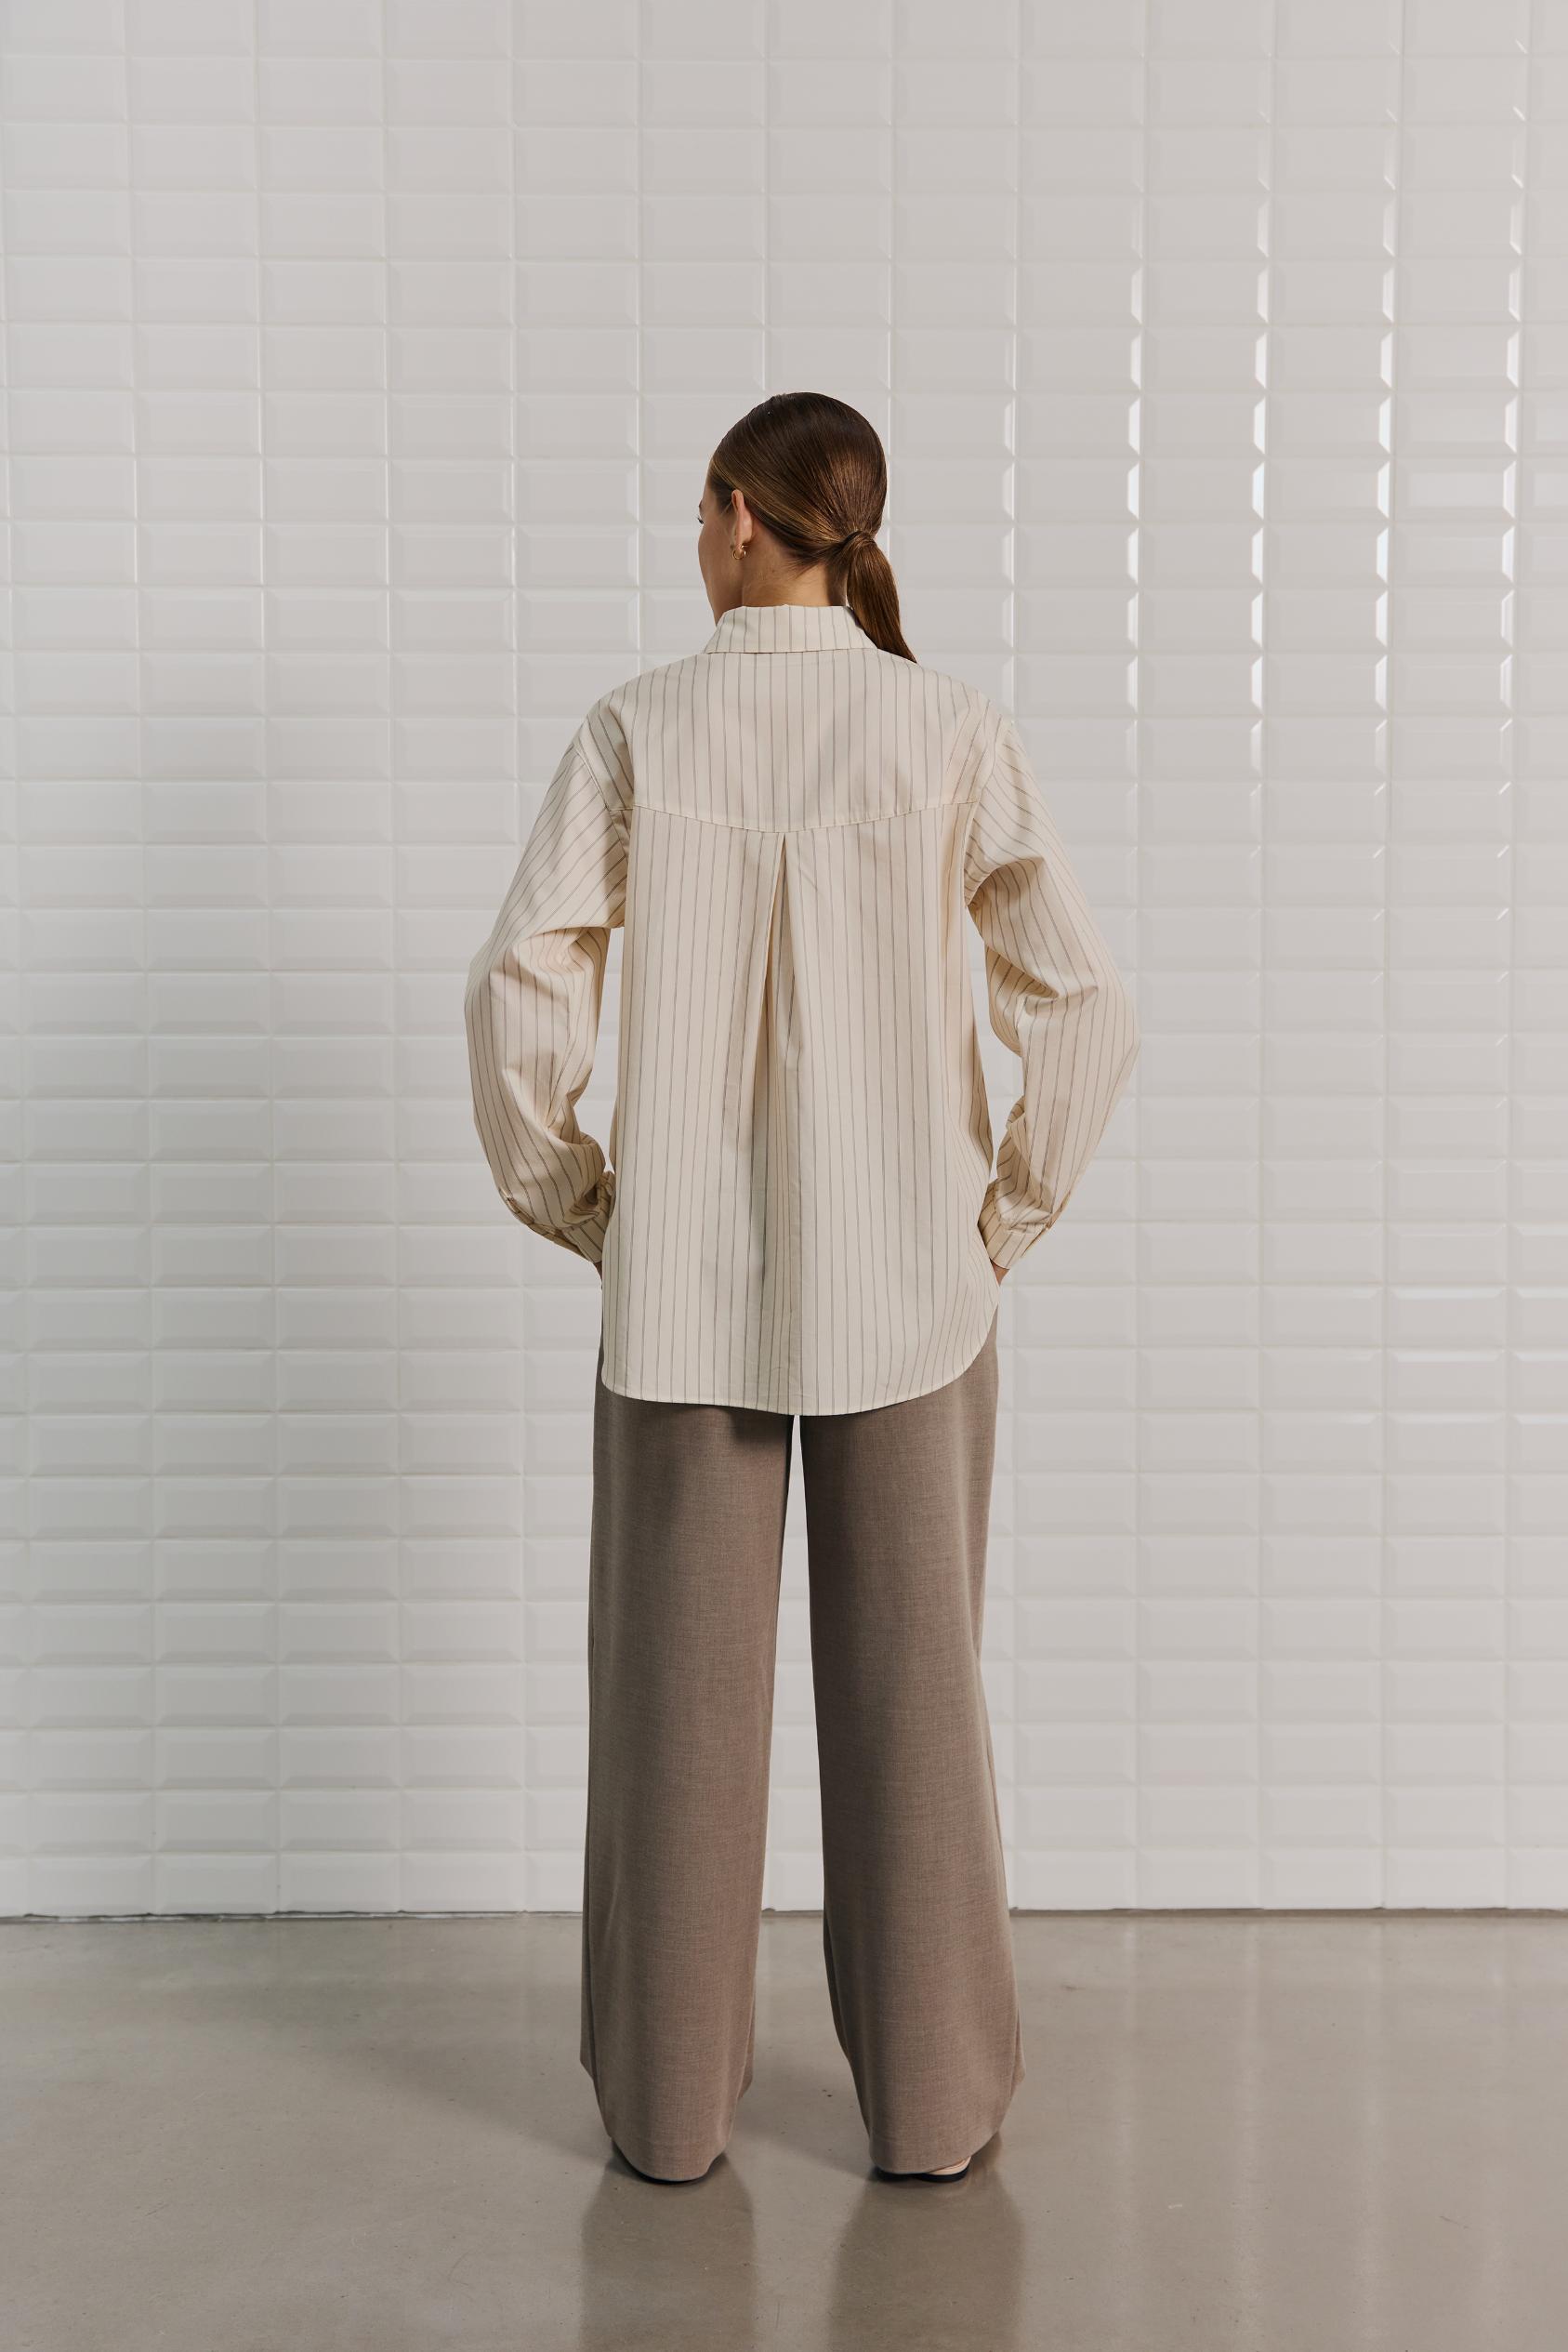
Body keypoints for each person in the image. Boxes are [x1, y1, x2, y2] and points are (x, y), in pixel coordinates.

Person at [465, 391, 1139, 2187]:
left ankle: (670, 2114)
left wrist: (586, 1203)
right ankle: (931, 2109)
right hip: (913, 1295)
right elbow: (1085, 1002)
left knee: (673, 1719)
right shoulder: (948, 726)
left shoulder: (640, 726)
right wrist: (1000, 1221)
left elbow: (521, 986)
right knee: (919, 1707)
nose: (694, 539)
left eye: (700, 511)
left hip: (681, 1304)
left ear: (741, 519)